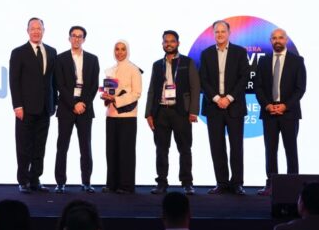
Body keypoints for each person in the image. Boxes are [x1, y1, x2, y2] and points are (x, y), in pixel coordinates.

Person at [145, 30, 200, 195]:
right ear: (162, 44)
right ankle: (161, 183)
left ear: (178, 43)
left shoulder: (187, 62)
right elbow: (151, 90)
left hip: (181, 112)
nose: (169, 44)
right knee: (161, 150)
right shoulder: (157, 64)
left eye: (172, 41)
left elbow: (195, 87)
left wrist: (193, 111)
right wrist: (148, 113)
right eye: (166, 41)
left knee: (185, 149)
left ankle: (187, 183)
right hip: (161, 112)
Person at [199, 20, 250, 195]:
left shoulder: (240, 52)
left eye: (223, 31)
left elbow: (244, 77)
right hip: (213, 107)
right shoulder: (206, 54)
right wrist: (216, 98)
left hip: (234, 106)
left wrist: (228, 98)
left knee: (236, 146)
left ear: (229, 33)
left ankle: (237, 183)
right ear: (213, 34)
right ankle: (221, 183)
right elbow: (203, 79)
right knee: (217, 146)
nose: (220, 34)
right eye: (217, 32)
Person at [255, 28, 306, 196]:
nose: (277, 40)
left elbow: (300, 88)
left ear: (286, 40)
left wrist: (285, 105)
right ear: (270, 41)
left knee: (291, 150)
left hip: (289, 113)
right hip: (269, 112)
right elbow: (258, 87)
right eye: (274, 38)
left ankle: (294, 186)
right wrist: (267, 105)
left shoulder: (297, 61)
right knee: (270, 150)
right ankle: (271, 185)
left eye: (281, 38)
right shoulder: (263, 61)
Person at [9, 17, 57, 193]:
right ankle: (23, 181)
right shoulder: (18, 52)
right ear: (27, 31)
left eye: (39, 28)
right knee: (24, 146)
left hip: (45, 108)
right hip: (25, 109)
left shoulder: (51, 51)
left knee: (40, 146)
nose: (36, 31)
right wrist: (17, 105)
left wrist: (54, 103)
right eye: (33, 28)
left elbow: (53, 80)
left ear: (44, 30)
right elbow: (14, 81)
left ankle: (35, 179)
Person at [54, 26, 100, 193]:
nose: (76, 39)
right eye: (74, 36)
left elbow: (94, 85)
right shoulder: (60, 58)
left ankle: (86, 182)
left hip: (85, 108)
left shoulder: (93, 59)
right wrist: (73, 104)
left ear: (84, 40)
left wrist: (83, 104)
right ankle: (60, 183)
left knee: (85, 146)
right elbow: (59, 84)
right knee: (62, 146)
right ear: (69, 38)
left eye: (80, 36)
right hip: (66, 107)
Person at [101, 40, 142, 194]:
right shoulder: (110, 70)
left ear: (127, 51)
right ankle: (111, 184)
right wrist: (106, 97)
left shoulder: (134, 69)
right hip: (111, 115)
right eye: (117, 49)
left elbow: (137, 93)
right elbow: (109, 91)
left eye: (123, 49)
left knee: (126, 152)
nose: (119, 52)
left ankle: (126, 185)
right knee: (111, 151)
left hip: (127, 116)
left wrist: (116, 99)